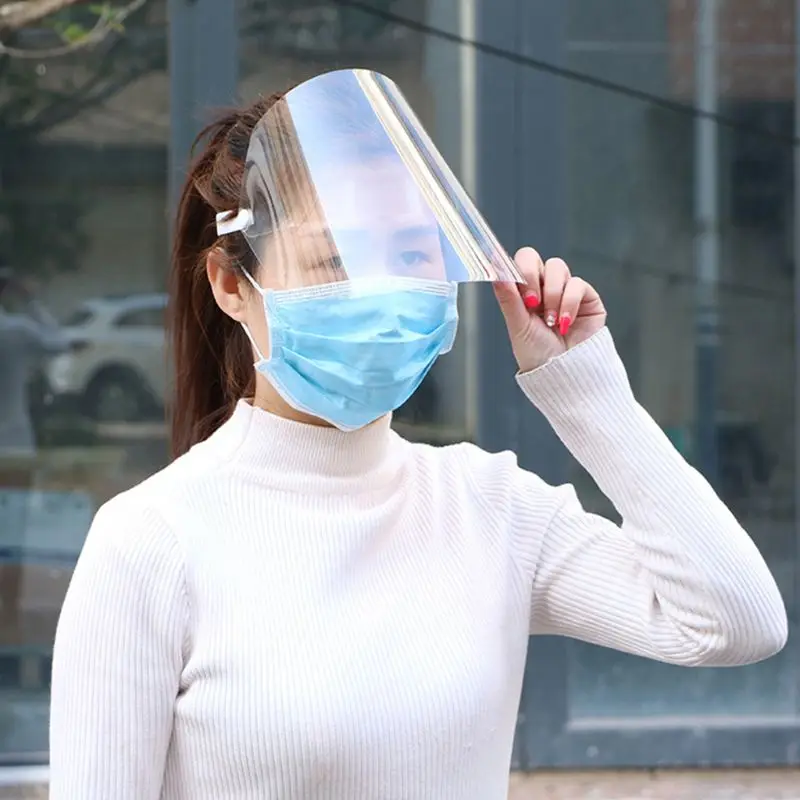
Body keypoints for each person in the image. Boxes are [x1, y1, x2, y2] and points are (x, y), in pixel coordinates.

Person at [49, 70, 787, 800]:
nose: (380, 291)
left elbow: (735, 622)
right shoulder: (152, 541)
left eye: (409, 255)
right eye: (336, 259)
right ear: (231, 284)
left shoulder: (491, 508)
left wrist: (585, 390)